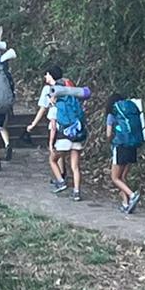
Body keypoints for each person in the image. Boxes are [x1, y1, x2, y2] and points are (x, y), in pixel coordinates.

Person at [50, 73, 91, 202]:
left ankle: (61, 181)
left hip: (63, 137)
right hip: (77, 137)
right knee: (75, 166)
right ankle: (77, 192)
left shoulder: (58, 104)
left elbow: (54, 125)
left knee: (53, 160)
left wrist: (51, 143)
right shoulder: (76, 102)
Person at [105, 93, 145, 213]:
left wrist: (110, 141)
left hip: (120, 146)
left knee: (115, 177)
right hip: (132, 145)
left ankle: (132, 195)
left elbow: (108, 134)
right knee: (122, 177)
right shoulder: (130, 110)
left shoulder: (112, 114)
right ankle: (126, 203)